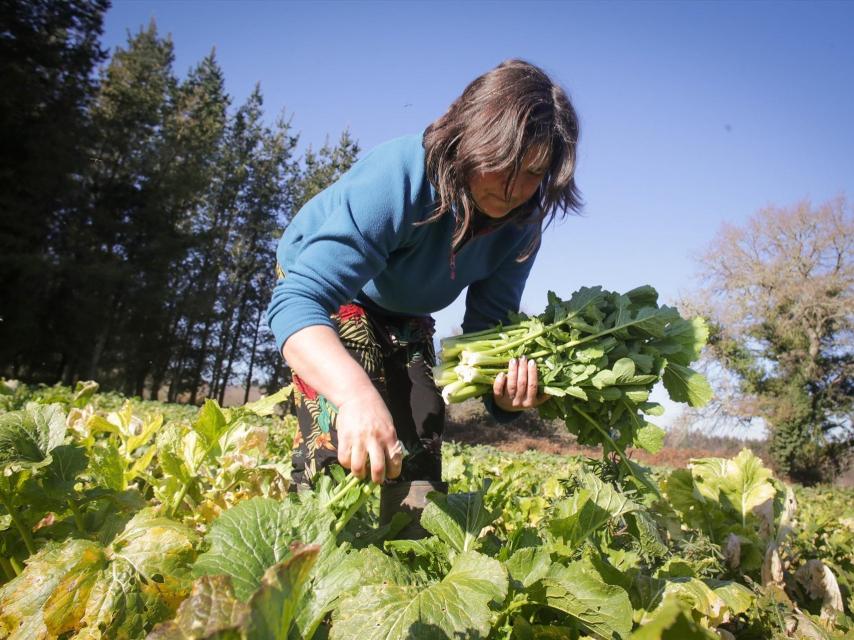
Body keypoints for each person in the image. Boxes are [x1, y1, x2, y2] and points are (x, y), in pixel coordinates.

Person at [266, 59, 581, 536]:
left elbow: (486, 330)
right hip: (329, 288)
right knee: (345, 428)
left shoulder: (522, 223)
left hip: (404, 306)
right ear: (470, 140)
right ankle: (309, 549)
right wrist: (354, 395)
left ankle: (407, 558)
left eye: (534, 173)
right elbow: (299, 301)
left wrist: (507, 397)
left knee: (421, 426)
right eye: (503, 165)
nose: (514, 189)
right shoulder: (401, 174)